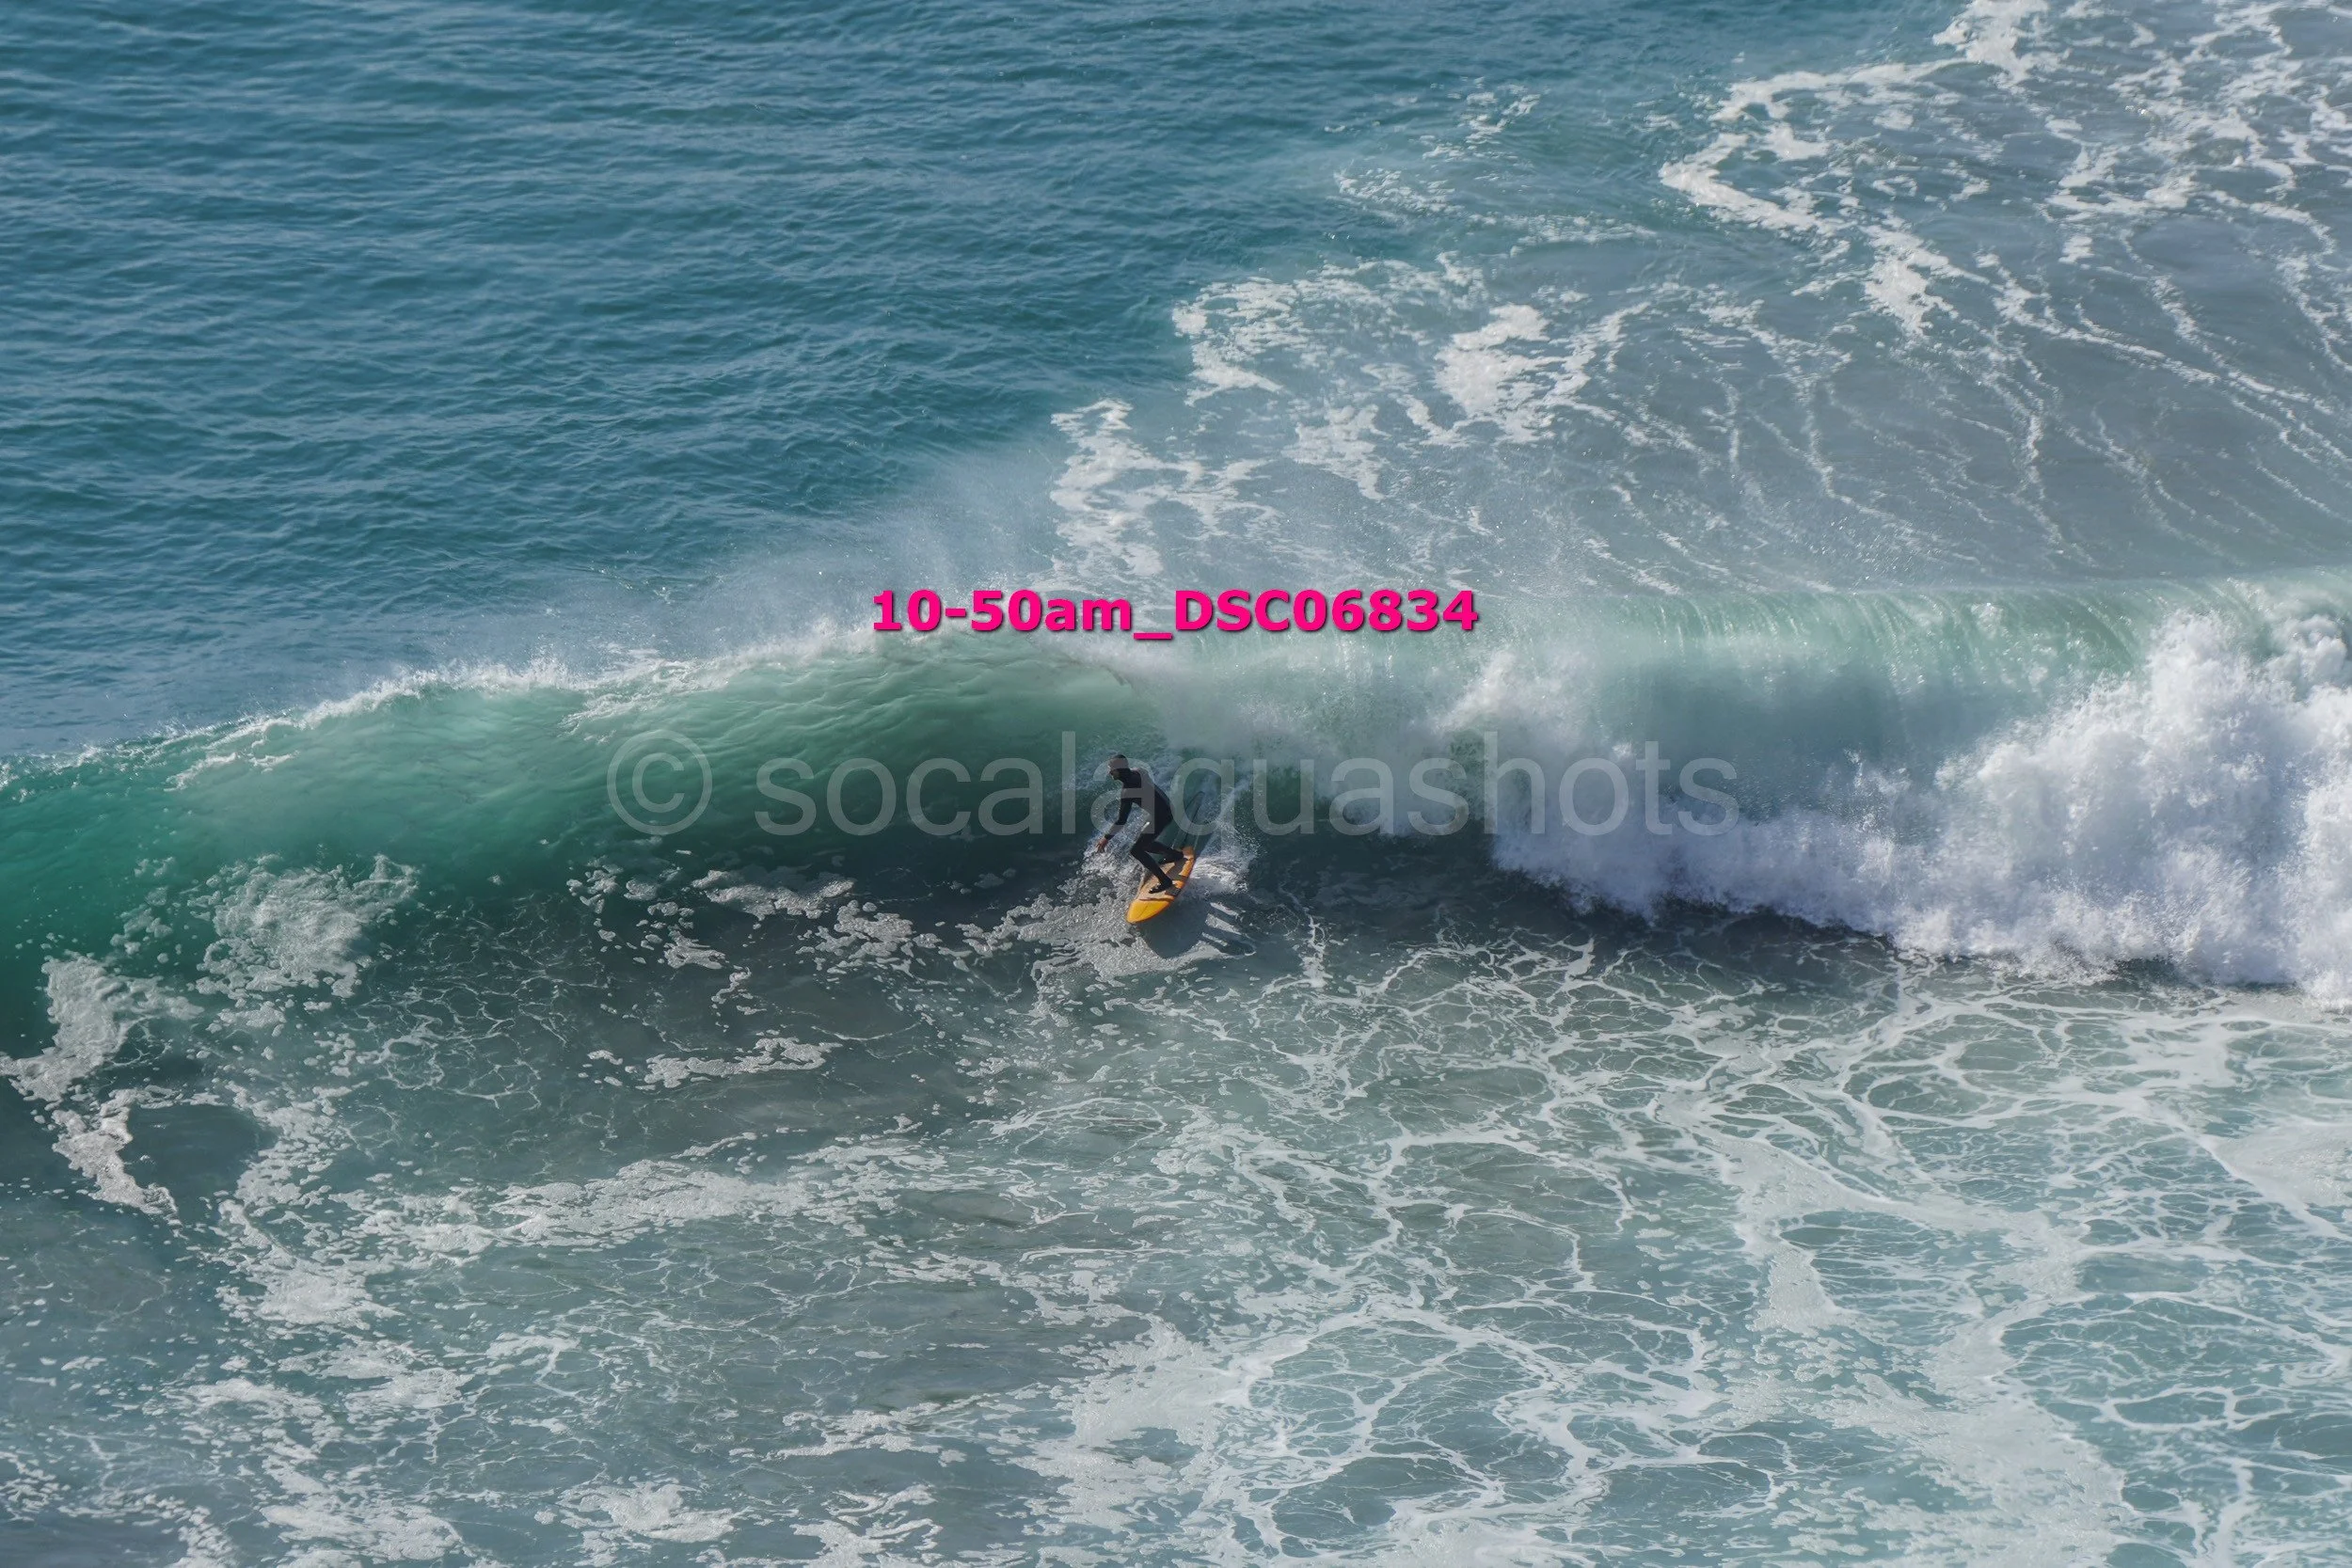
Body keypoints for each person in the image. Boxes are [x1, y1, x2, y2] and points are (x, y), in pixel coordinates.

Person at [1095, 753, 1185, 894]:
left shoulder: (1127, 791)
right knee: (1145, 843)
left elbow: (1121, 820)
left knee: (1136, 850)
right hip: (1167, 808)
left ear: (1119, 770)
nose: (1109, 772)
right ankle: (1175, 855)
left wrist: (1105, 838)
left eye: (1111, 769)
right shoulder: (1138, 771)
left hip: (1161, 816)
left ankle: (1165, 881)